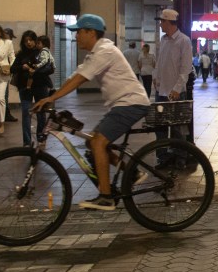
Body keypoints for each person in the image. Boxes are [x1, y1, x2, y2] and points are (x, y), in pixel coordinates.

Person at [34, 14, 150, 210]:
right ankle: (133, 172)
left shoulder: (105, 51)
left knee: (98, 143)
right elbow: (74, 77)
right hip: (121, 104)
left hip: (130, 103)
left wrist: (52, 98)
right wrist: (50, 96)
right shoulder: (94, 55)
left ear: (91, 32)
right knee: (92, 141)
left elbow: (81, 79)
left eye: (79, 32)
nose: (76, 36)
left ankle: (106, 197)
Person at [152, 9, 193, 155]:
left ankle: (180, 157)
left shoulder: (183, 41)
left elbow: (186, 68)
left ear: (170, 22)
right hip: (161, 91)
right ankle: (162, 157)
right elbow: (160, 62)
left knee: (177, 128)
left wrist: (177, 88)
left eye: (162, 21)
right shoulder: (163, 39)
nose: (161, 24)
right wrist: (155, 78)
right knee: (160, 127)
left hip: (175, 92)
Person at [11, 30, 53, 146]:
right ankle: (27, 141)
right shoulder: (21, 54)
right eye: (26, 41)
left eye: (31, 40)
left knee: (41, 113)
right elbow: (12, 69)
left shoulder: (42, 52)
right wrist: (22, 67)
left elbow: (50, 68)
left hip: (40, 85)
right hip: (25, 87)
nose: (28, 43)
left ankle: (41, 137)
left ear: (36, 41)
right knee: (26, 112)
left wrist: (36, 70)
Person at [2, 28, 18, 123]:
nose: (10, 39)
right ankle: (4, 114)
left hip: (6, 73)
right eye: (10, 37)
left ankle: (5, 114)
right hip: (2, 73)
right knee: (3, 95)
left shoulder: (7, 45)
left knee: (5, 95)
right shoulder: (3, 45)